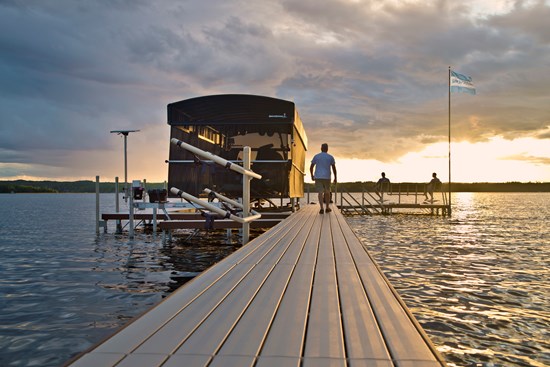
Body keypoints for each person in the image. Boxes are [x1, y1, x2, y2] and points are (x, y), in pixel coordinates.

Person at [310, 143, 337, 214]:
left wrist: (312, 175)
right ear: (327, 149)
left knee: (320, 193)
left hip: (318, 177)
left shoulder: (316, 156)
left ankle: (321, 208)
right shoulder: (330, 157)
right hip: (327, 177)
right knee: (327, 192)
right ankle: (327, 207)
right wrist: (335, 177)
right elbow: (334, 168)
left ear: (321, 148)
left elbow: (311, 166)